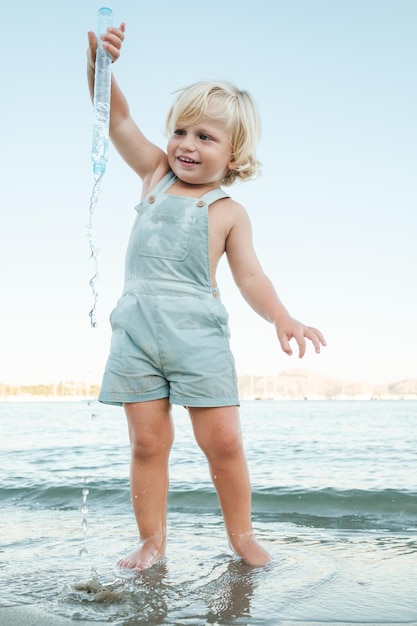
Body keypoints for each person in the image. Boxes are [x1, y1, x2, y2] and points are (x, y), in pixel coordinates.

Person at [87, 21, 326, 571]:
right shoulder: (154, 175)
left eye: (206, 137)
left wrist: (281, 317)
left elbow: (251, 279)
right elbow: (116, 116)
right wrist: (102, 66)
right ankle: (152, 540)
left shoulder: (227, 212)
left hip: (199, 339)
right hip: (138, 336)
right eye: (181, 131)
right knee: (148, 444)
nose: (186, 146)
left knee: (222, 443)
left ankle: (241, 537)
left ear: (235, 156)